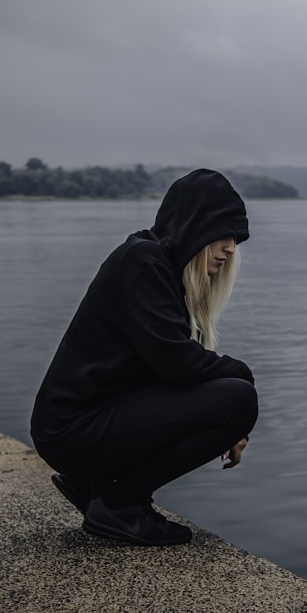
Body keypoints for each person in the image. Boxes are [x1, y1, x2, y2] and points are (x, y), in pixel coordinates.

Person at [31, 168, 258, 546]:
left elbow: (166, 371)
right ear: (193, 225)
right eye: (223, 234)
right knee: (238, 399)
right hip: (72, 430)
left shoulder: (156, 265)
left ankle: (98, 486)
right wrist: (244, 379)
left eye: (235, 238)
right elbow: (180, 365)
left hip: (79, 426)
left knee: (231, 396)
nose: (231, 247)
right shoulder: (144, 261)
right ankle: (121, 504)